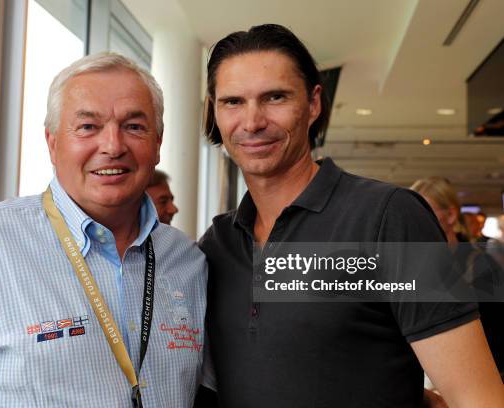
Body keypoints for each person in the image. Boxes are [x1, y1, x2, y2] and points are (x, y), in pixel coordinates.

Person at [199, 24, 504, 407]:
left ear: (313, 104)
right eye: (233, 102)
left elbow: (477, 397)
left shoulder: (391, 217)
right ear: (214, 110)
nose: (253, 121)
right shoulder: (218, 243)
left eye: (275, 97)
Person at [0, 53, 207, 407]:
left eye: (134, 126)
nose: (113, 146)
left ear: (158, 143)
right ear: (53, 143)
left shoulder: (188, 262)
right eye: (88, 127)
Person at [411, 177, 504, 377]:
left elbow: (495, 334)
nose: (415, 221)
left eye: (425, 212)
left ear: (451, 215)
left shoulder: (481, 266)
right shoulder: (415, 265)